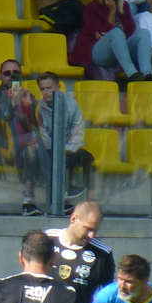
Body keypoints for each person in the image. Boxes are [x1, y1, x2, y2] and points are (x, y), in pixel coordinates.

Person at [19, 73, 93, 214]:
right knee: (32, 154)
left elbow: (78, 129)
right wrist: (58, 148)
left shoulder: (72, 105)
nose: (46, 92)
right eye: (42, 89)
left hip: (69, 148)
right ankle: (29, 200)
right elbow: (42, 135)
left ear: (58, 87)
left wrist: (69, 148)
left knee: (84, 157)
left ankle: (72, 200)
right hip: (49, 148)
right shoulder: (39, 108)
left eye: (49, 88)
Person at [71, 0, 149, 79]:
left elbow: (130, 31)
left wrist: (119, 40)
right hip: (98, 51)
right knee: (116, 32)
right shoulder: (91, 7)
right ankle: (132, 74)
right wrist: (112, 12)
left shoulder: (124, 6)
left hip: (121, 51)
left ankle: (147, 74)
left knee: (143, 33)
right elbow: (103, 32)